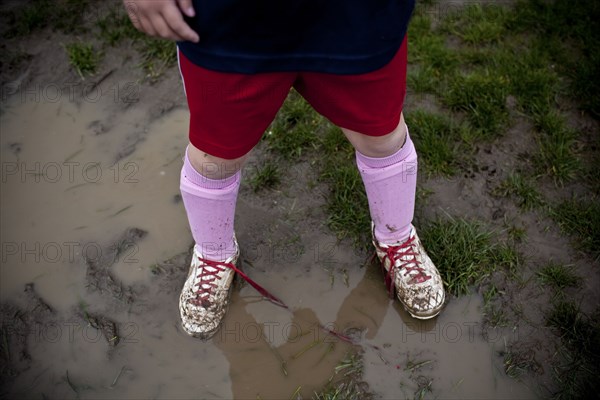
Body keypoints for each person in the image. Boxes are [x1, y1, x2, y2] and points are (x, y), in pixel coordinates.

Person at [124, 0, 445, 339]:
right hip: (230, 21)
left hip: (355, 15)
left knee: (381, 136)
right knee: (215, 156)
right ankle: (214, 253)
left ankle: (396, 238)